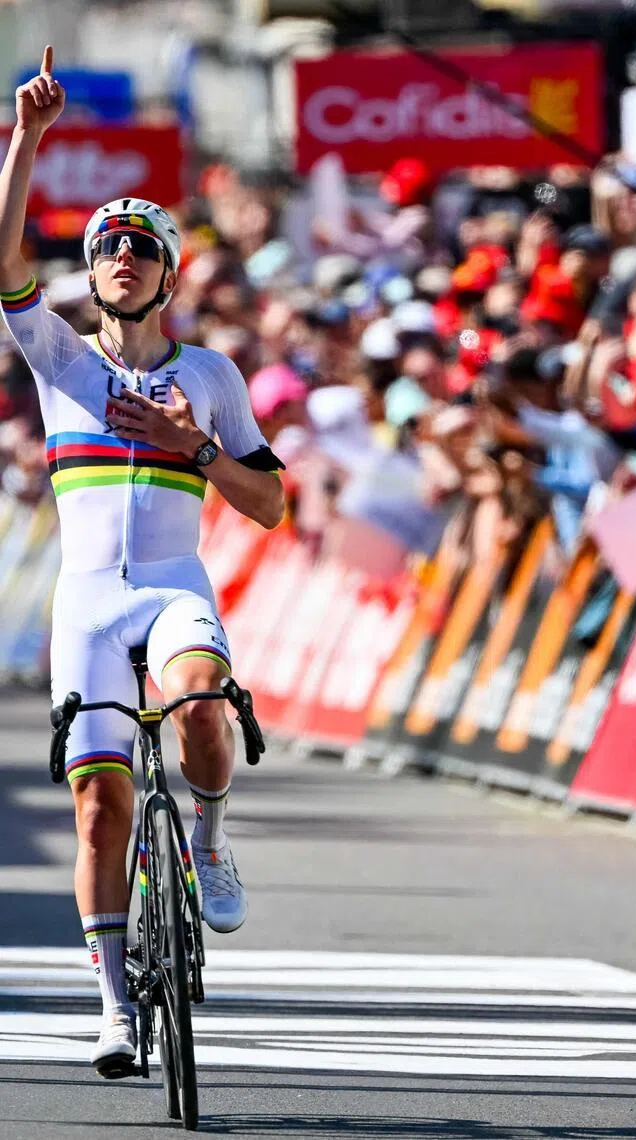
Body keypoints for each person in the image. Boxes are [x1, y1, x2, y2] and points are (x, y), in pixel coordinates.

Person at [0, 50, 285, 1076]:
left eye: (140, 246)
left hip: (170, 589)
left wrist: (195, 450)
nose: (121, 255)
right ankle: (115, 1006)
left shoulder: (209, 375)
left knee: (205, 707)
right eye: (107, 245)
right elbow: (5, 270)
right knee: (99, 806)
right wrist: (27, 139)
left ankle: (207, 840)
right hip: (85, 605)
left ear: (167, 272)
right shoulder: (63, 359)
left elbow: (271, 502)